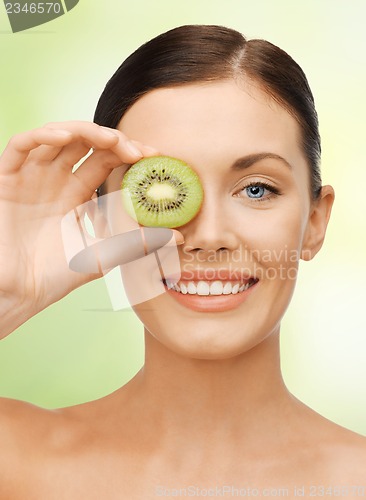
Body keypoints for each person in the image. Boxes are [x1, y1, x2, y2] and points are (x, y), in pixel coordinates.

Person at [0, 24, 365, 498]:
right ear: (101, 217)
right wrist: (9, 295)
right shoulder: (14, 459)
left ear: (315, 222)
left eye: (257, 189)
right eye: (156, 189)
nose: (208, 237)